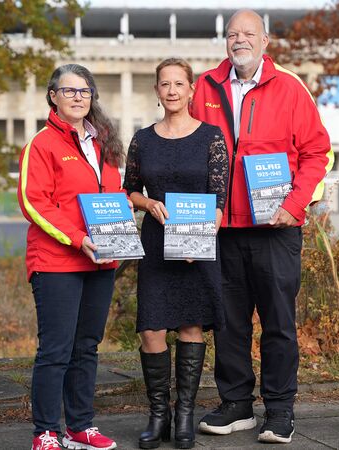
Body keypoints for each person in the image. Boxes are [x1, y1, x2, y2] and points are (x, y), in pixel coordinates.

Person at [189, 9, 334, 445]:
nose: (240, 40)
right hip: (222, 228)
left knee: (277, 322)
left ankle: (279, 409)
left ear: (265, 41)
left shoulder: (290, 87)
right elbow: (187, 147)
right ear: (225, 41)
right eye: (232, 34)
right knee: (229, 322)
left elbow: (318, 152)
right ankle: (236, 404)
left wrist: (296, 204)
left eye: (248, 33)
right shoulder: (204, 88)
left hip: (275, 227)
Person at [123, 58, 229, 450]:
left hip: (196, 244)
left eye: (178, 84)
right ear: (156, 91)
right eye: (164, 84)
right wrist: (148, 205)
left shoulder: (211, 137)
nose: (171, 90)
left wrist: (197, 240)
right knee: (150, 328)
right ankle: (159, 414)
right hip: (155, 242)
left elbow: (220, 198)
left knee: (190, 326)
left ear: (191, 90)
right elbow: (129, 188)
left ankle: (185, 412)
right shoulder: (142, 139)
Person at [18, 64, 124, 450]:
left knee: (86, 347)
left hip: (102, 261)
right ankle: (45, 432)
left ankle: (80, 427)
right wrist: (78, 238)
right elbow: (35, 203)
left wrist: (127, 221)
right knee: (56, 350)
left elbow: (114, 198)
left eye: (85, 91)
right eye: (69, 91)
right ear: (53, 96)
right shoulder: (42, 144)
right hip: (57, 262)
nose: (78, 97)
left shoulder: (105, 144)